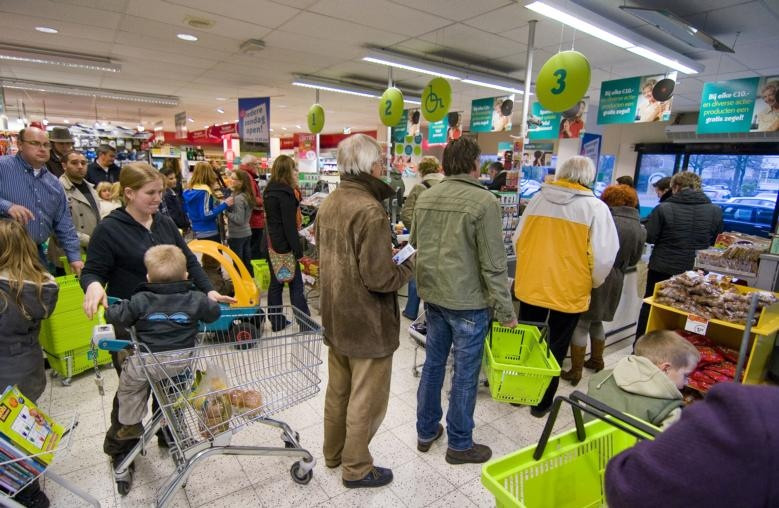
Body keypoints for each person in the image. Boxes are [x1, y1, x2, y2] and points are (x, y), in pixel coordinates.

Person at [80, 162, 234, 465]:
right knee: (134, 388)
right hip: (133, 324)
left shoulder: (163, 223)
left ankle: (169, 434)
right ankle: (122, 449)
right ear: (129, 193)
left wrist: (208, 291)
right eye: (150, 193)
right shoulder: (110, 229)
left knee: (173, 386)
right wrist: (94, 286)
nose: (158, 199)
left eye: (160, 192)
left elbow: (189, 260)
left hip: (175, 325)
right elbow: (92, 271)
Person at [316, 134, 414, 488]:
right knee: (365, 399)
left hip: (336, 317)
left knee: (338, 391)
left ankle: (333, 453)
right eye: (380, 161)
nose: (383, 167)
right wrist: (407, 264)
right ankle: (356, 467)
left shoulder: (331, 203)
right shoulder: (370, 210)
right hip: (367, 323)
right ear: (370, 165)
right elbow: (380, 278)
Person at [412, 136, 517, 464]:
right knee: (465, 372)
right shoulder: (484, 202)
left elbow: (416, 243)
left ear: (444, 165)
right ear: (475, 165)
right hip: (469, 302)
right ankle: (459, 443)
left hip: (434, 296)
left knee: (433, 364)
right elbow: (493, 263)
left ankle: (426, 431)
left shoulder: (426, 197)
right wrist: (506, 310)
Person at [512, 156, 619, 417]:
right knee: (556, 346)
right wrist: (592, 281)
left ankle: (519, 393)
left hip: (532, 285)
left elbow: (518, 239)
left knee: (527, 340)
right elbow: (605, 256)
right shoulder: (595, 208)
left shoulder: (537, 200)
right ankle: (541, 403)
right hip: (569, 288)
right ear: (588, 177)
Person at [108, 245, 221, 440]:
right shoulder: (196, 299)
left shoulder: (140, 300)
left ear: (148, 278)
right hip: (182, 361)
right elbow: (214, 313)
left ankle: (131, 423)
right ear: (186, 275)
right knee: (173, 394)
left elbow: (117, 316)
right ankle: (173, 429)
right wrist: (207, 301)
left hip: (149, 363)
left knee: (129, 385)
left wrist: (113, 307)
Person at [605, 383, 779, 507]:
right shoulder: (758, 420)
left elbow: (629, 486)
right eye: (686, 375)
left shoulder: (755, 415)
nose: (688, 381)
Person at [0, 219, 59, 508]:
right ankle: (30, 488)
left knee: (6, 443)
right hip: (30, 371)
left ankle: (26, 494)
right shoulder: (41, 287)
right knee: (19, 433)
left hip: (3, 376)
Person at [562, 184, 646, 385]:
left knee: (581, 322)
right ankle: (597, 360)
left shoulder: (606, 220)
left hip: (596, 275)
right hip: (617, 277)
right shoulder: (639, 227)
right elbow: (635, 259)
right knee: (597, 320)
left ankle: (575, 370)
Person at [635, 171, 723, 338]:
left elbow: (651, 236)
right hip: (696, 272)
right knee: (691, 312)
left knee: (653, 307)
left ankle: (642, 348)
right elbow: (715, 242)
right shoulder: (715, 211)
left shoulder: (663, 208)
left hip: (663, 268)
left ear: (675, 187)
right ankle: (681, 352)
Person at [0, 127, 83, 275]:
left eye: (46, 145)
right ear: (20, 145)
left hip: (36, 256)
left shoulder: (54, 183)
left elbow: (64, 223)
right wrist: (7, 206)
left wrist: (74, 257)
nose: (42, 149)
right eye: (35, 143)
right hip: (4, 255)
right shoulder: (3, 167)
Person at [588, 330, 699, 429]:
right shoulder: (670, 411)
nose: (686, 382)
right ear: (666, 369)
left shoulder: (600, 378)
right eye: (685, 375)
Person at [263, 155, 310, 331]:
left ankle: (276, 321)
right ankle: (305, 324)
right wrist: (298, 252)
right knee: (296, 285)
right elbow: (289, 226)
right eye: (294, 169)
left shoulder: (269, 191)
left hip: (272, 244)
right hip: (285, 247)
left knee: (276, 284)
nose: (297, 172)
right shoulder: (286, 194)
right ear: (287, 171)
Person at [399, 156, 444, 320]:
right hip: (445, 239)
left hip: (423, 241)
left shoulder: (419, 188)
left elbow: (406, 214)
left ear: (421, 170)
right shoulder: (447, 186)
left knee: (416, 273)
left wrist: (417, 231)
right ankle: (432, 313)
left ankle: (411, 310)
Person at [47, 150, 101, 273]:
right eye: (74, 163)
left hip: (91, 252)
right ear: (64, 165)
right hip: (67, 254)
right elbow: (55, 226)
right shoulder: (56, 188)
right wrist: (88, 240)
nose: (80, 166)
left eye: (83, 163)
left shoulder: (91, 188)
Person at [183, 161, 234, 242]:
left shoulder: (189, 190)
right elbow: (205, 214)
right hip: (209, 231)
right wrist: (224, 204)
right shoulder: (204, 192)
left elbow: (186, 209)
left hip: (197, 230)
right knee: (214, 254)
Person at [225, 169, 255, 275]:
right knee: (246, 262)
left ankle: (241, 286)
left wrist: (226, 212)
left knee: (238, 263)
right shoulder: (247, 195)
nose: (230, 180)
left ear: (241, 182)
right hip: (246, 232)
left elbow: (239, 219)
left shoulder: (238, 198)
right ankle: (249, 284)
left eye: (234, 179)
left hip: (237, 234)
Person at [238, 155, 266, 260]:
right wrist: (264, 201)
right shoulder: (248, 177)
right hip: (254, 218)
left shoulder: (244, 175)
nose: (257, 166)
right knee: (255, 247)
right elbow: (252, 199)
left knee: (250, 246)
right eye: (256, 164)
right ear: (249, 165)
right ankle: (254, 271)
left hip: (250, 218)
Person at [158, 166, 190, 233]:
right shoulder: (166, 195)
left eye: (175, 178)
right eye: (171, 179)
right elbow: (172, 215)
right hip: (176, 229)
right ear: (163, 180)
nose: (175, 180)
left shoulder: (171, 191)